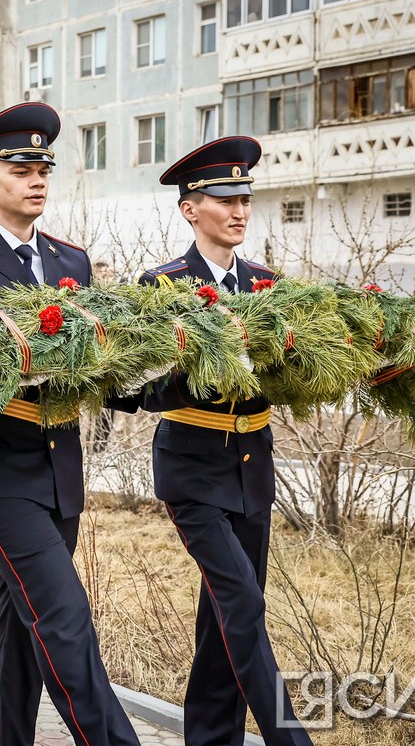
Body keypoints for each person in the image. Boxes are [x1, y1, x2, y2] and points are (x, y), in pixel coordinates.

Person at [0, 103, 140, 746]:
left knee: (24, 621)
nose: (36, 177)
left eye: (43, 166)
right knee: (64, 617)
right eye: (19, 167)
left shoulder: (73, 261)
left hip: (57, 468)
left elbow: (96, 359)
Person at [107, 136, 313, 746]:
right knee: (244, 606)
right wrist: (190, 365)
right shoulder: (163, 287)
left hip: (254, 468)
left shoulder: (269, 287)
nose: (239, 210)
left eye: (245, 197)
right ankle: (290, 737)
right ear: (189, 209)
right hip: (193, 469)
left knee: (221, 620)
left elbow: (298, 373)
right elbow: (133, 390)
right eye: (224, 198)